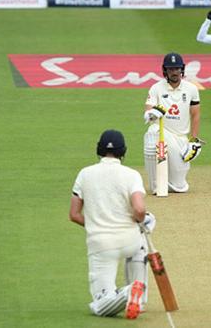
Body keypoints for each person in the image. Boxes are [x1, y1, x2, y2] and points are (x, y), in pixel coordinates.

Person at [69, 129, 156, 319]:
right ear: (123, 151)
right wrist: (140, 222)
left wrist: (95, 224)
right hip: (129, 240)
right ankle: (138, 298)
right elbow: (140, 210)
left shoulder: (85, 174)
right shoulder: (132, 175)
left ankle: (126, 293)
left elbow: (74, 215)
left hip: (101, 245)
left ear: (99, 150)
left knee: (100, 305)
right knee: (140, 236)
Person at [143, 53, 202, 194]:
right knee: (153, 130)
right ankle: (156, 185)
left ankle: (168, 180)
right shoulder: (156, 88)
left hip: (180, 139)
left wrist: (193, 140)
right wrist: (152, 114)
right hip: (163, 134)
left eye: (177, 68)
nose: (174, 72)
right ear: (165, 71)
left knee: (179, 186)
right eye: (171, 69)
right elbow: (148, 113)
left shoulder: (191, 89)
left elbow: (195, 115)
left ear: (182, 69)